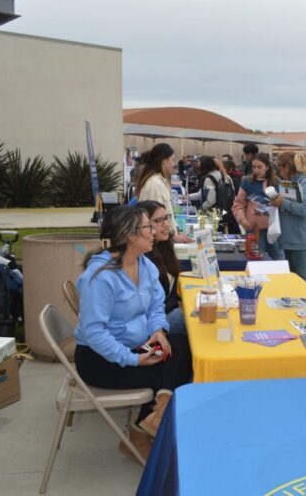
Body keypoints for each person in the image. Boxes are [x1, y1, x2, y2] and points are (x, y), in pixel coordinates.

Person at [75, 207, 193, 461]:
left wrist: (159, 331)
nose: (154, 232)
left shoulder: (144, 265)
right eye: (148, 227)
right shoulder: (101, 278)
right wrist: (133, 359)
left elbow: (155, 308)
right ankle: (141, 434)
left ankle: (153, 421)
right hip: (99, 359)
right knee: (169, 370)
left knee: (184, 348)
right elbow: (93, 333)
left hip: (136, 345)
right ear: (130, 237)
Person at [135, 200, 186, 334]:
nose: (166, 224)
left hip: (163, 314)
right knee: (195, 322)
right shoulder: (143, 257)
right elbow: (151, 306)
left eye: (166, 218)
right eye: (158, 220)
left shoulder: (164, 247)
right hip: (152, 321)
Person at [270, 151, 306, 283]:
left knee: (301, 278)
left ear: (287, 167)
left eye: (279, 167)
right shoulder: (286, 182)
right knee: (289, 279)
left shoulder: (305, 183)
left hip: (299, 240)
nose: (279, 172)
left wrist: (283, 202)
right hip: (286, 239)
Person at [232, 153, 285, 259]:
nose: (256, 170)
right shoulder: (247, 182)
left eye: (259, 167)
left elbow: (283, 204)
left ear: (267, 167)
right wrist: (242, 220)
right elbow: (238, 204)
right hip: (254, 230)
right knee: (257, 260)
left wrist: (279, 201)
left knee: (278, 260)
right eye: (254, 167)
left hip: (275, 230)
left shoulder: (277, 182)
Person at [135, 143, 190, 243]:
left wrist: (178, 231)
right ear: (163, 161)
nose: (174, 164)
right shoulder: (154, 184)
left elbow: (168, 214)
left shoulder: (160, 182)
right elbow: (155, 218)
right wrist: (172, 235)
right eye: (172, 160)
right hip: (157, 242)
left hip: (164, 239)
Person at [198, 156, 235, 231]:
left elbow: (210, 200)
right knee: (221, 232)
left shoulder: (208, 179)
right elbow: (232, 192)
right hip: (226, 211)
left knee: (214, 235)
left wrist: (201, 208)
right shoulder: (226, 176)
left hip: (213, 213)